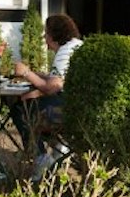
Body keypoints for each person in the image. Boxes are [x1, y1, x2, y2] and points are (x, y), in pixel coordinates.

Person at [11, 14, 83, 175]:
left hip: (68, 110)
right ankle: (57, 147)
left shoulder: (65, 52)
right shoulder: (75, 45)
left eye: (46, 33)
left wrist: (26, 73)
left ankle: (41, 159)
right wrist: (41, 75)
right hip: (78, 105)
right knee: (28, 101)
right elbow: (60, 80)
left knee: (20, 109)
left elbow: (53, 87)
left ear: (54, 35)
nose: (44, 37)